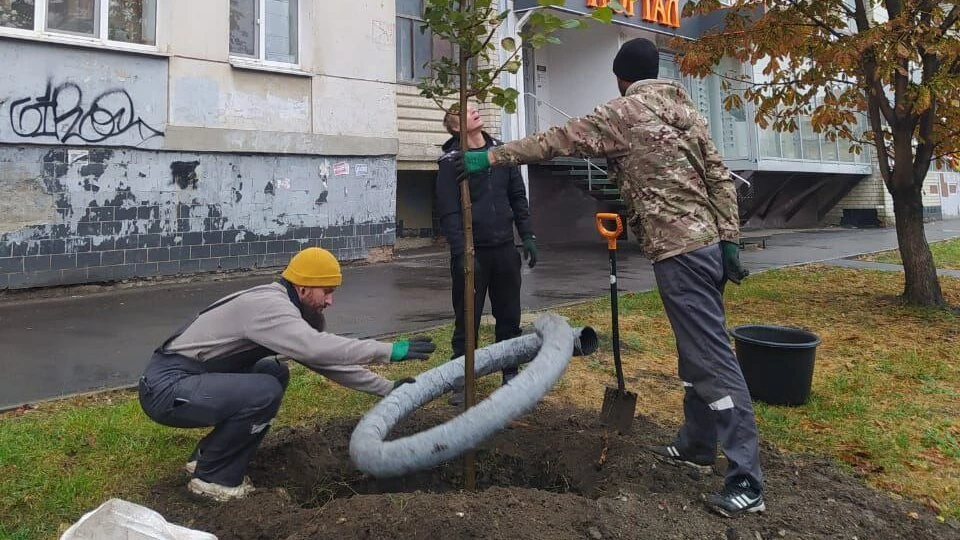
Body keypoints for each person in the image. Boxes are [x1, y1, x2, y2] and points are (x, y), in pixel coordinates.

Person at [451, 37, 763, 517]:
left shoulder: (624, 113)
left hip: (679, 250)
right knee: (695, 352)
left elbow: (557, 140)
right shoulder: (687, 112)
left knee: (712, 360)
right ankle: (697, 444)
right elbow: (719, 176)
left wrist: (489, 157)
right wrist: (730, 240)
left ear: (621, 78)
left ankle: (746, 480)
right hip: (707, 248)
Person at [138, 247, 435, 501]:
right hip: (167, 388)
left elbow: (323, 361)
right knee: (263, 390)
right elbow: (318, 348)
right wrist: (387, 350)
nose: (330, 301)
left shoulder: (282, 304)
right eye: (327, 292)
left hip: (186, 381)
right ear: (304, 288)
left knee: (273, 372)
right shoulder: (270, 307)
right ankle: (213, 481)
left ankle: (207, 459)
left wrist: (386, 388)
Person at [435, 102, 537, 405]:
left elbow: (517, 195)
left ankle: (510, 373)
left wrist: (527, 234)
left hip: (505, 248)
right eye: (466, 111)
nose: (475, 110)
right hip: (472, 252)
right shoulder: (451, 162)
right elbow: (449, 211)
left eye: (475, 107)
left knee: (509, 316)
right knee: (467, 318)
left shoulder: (501, 153)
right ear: (455, 127)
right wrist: (460, 253)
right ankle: (462, 380)